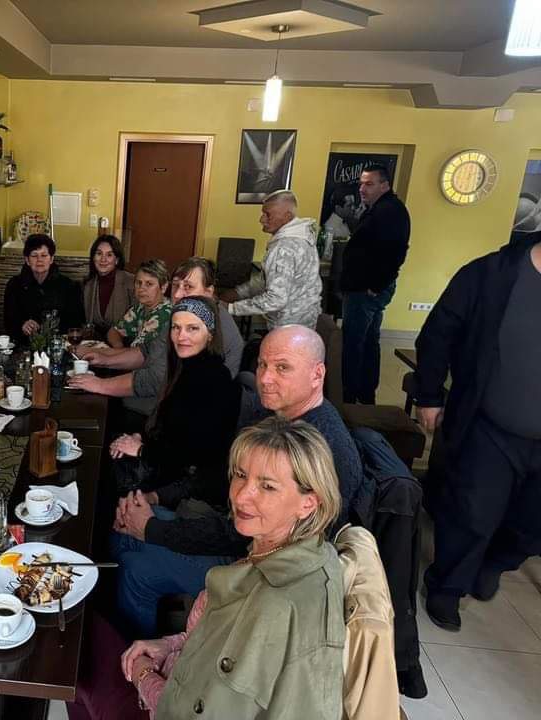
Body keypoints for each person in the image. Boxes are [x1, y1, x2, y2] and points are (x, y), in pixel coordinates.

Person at [69, 417, 344, 719]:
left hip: (167, 703)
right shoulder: (312, 552)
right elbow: (218, 645)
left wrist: (143, 674)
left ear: (308, 503)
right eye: (240, 475)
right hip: (183, 670)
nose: (242, 495)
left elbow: (192, 714)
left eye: (267, 486)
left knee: (76, 645)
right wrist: (169, 644)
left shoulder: (270, 605)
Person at [415, 233, 541, 631]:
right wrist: (428, 394)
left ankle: (496, 561)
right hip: (490, 424)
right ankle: (447, 587)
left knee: (531, 524)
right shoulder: (491, 274)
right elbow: (438, 333)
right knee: (472, 513)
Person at [107, 296, 242, 637]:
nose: (182, 336)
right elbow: (176, 434)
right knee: (118, 531)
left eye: (192, 329)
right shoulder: (186, 368)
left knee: (132, 561)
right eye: (177, 328)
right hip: (180, 486)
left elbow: (196, 454)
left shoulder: (215, 380)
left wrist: (143, 449)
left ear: (209, 333)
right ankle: (118, 633)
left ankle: (140, 648)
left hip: (197, 501)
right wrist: (142, 442)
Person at [70, 258, 244, 420]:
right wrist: (104, 359)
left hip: (184, 415)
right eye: (176, 285)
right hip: (166, 402)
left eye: (188, 287)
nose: (177, 294)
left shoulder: (210, 323)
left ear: (209, 292)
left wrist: (100, 385)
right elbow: (147, 351)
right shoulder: (184, 314)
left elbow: (155, 379)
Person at [241, 325, 367, 530]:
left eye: (282, 367)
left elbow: (310, 536)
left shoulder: (323, 448)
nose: (264, 379)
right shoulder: (278, 410)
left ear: (317, 375)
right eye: (262, 364)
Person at [339, 163, 411, 404]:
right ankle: (364, 394)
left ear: (385, 185)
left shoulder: (390, 211)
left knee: (354, 344)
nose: (362, 189)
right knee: (368, 342)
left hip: (366, 290)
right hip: (363, 288)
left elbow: (396, 253)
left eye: (369, 184)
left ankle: (349, 397)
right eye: (361, 183)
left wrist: (376, 285)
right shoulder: (379, 209)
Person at [219, 189, 322, 329]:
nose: (261, 219)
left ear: (287, 216)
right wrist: (239, 292)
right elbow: (267, 280)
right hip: (304, 321)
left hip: (289, 326)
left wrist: (231, 308)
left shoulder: (284, 248)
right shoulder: (302, 237)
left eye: (268, 215)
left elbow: (276, 299)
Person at [3, 234, 85, 342]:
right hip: (23, 344)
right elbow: (8, 321)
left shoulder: (68, 286)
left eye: (44, 255)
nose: (39, 260)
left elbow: (75, 323)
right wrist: (22, 325)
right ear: (27, 260)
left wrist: (50, 329)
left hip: (58, 343)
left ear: (51, 259)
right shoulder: (14, 285)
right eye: (34, 255)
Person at [107, 259, 171, 351]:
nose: (141, 288)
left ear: (164, 287)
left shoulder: (164, 314)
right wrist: (118, 346)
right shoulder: (140, 307)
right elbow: (114, 331)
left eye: (149, 284)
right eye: (138, 283)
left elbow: (136, 353)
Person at [82, 235, 135, 336]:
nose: (103, 259)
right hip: (95, 342)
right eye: (99, 254)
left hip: (125, 342)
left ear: (117, 260)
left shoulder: (131, 282)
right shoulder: (88, 285)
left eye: (109, 255)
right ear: (93, 258)